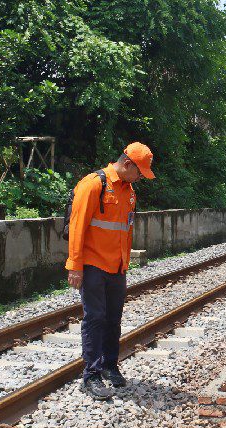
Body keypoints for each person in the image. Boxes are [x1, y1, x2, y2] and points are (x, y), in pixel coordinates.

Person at [66, 142, 155, 399]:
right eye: (139, 172)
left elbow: (125, 231)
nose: (140, 178)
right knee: (95, 317)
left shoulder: (129, 192)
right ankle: (90, 376)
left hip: (117, 266)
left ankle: (109, 365)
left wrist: (124, 263)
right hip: (93, 264)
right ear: (127, 164)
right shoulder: (93, 184)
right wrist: (75, 265)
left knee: (113, 317)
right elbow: (77, 228)